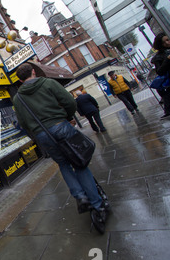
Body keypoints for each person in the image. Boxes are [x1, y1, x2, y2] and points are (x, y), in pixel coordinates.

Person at [12, 63, 107, 231]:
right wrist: (68, 116)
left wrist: (37, 135)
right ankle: (97, 204)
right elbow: (69, 101)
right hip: (60, 125)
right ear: (33, 72)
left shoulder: (18, 99)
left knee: (63, 164)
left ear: (19, 79)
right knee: (80, 163)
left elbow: (24, 123)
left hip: (43, 135)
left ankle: (79, 196)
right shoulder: (48, 83)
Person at [151, 32, 170, 119]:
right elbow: (160, 71)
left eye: (168, 40)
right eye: (164, 42)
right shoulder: (158, 57)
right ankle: (168, 111)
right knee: (167, 95)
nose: (167, 43)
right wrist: (167, 60)